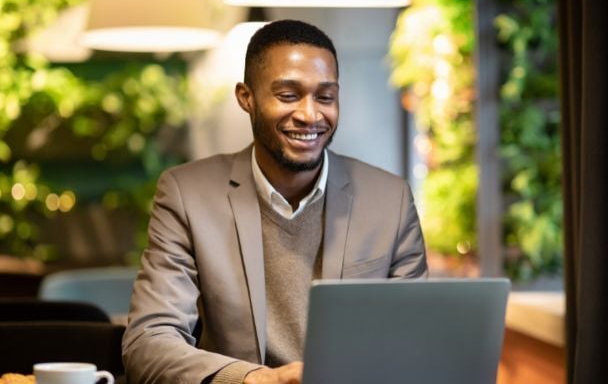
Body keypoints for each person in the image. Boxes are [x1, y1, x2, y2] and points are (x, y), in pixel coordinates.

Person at [122, 19, 428, 384]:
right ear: (246, 98)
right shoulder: (187, 194)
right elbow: (149, 342)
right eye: (288, 95)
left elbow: (417, 343)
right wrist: (252, 379)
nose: (310, 114)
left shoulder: (389, 200)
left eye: (325, 97)